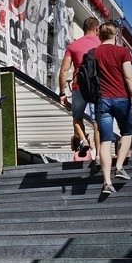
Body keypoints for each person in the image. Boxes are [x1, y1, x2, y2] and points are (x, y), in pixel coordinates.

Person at [92, 21, 132, 195]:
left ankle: (106, 182)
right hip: (121, 99)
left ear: (100, 35)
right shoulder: (123, 52)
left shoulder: (93, 53)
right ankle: (119, 167)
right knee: (127, 133)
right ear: (116, 35)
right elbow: (129, 77)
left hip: (102, 100)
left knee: (106, 141)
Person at [58, 16, 101, 159]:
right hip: (96, 87)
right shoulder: (101, 44)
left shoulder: (73, 46)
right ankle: (100, 155)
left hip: (79, 86)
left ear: (83, 29)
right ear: (97, 29)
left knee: (77, 118)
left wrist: (62, 92)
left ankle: (83, 141)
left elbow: (64, 71)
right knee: (96, 122)